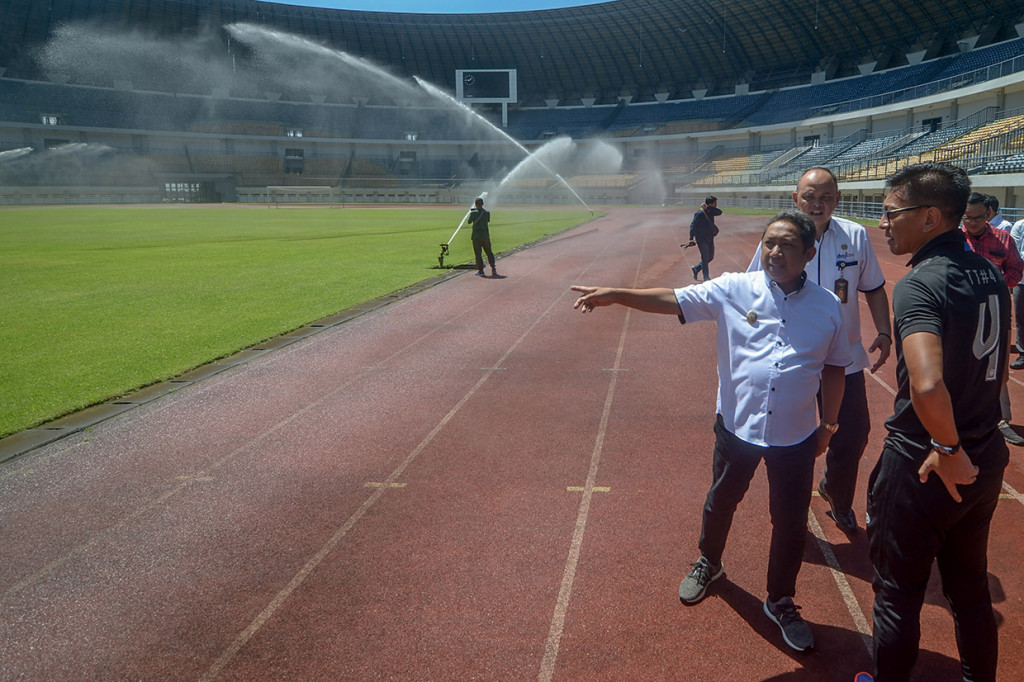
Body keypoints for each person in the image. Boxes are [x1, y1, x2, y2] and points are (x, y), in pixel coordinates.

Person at [572, 210, 851, 653]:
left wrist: (829, 426)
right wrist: (616, 295)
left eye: (788, 246)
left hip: (796, 435)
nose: (775, 252)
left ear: (809, 253)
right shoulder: (733, 288)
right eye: (770, 243)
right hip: (737, 427)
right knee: (721, 499)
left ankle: (780, 600)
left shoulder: (828, 308)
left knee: (791, 522)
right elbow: (673, 299)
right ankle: (710, 562)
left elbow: (836, 369)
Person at [865, 163, 1010, 682]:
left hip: (928, 462)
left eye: (890, 212)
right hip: (985, 453)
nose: (882, 222)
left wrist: (947, 451)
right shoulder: (989, 272)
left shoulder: (919, 283)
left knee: (896, 595)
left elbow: (927, 385)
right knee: (968, 589)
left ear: (929, 218)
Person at [747, 167, 891, 535]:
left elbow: (873, 287)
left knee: (853, 433)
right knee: (788, 441)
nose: (817, 203)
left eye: (825, 196)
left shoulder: (855, 236)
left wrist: (884, 331)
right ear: (795, 199)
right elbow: (752, 290)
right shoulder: (779, 238)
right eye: (809, 196)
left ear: (838, 200)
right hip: (791, 358)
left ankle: (837, 496)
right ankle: (788, 517)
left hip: (844, 357)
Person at [962, 192, 1024, 446]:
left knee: (995, 364)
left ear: (988, 214)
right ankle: (961, 415)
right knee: (959, 362)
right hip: (961, 311)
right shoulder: (954, 240)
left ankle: (1001, 418)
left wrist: (997, 286)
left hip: (994, 309)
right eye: (968, 217)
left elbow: (1016, 268)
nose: (973, 222)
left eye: (978, 217)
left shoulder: (1003, 238)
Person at [687, 196, 722, 281]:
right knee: (705, 257)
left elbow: (719, 212)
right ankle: (706, 277)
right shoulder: (700, 213)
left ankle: (696, 268)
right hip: (701, 239)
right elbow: (693, 225)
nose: (716, 205)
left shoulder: (710, 211)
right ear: (711, 203)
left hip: (709, 237)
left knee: (710, 257)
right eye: (715, 203)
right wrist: (691, 238)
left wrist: (709, 208)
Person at [467, 196, 497, 277]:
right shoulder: (487, 213)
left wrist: (471, 213)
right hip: (485, 236)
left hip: (476, 236)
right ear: (482, 204)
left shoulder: (473, 213)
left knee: (478, 254)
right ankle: (493, 269)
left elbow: (469, 222)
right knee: (489, 252)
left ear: (476, 204)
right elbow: (487, 220)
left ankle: (481, 271)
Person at [1012, 215, 1024, 370]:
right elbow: (1014, 254)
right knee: (1021, 319)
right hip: (1022, 282)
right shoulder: (1020, 225)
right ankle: (1022, 353)